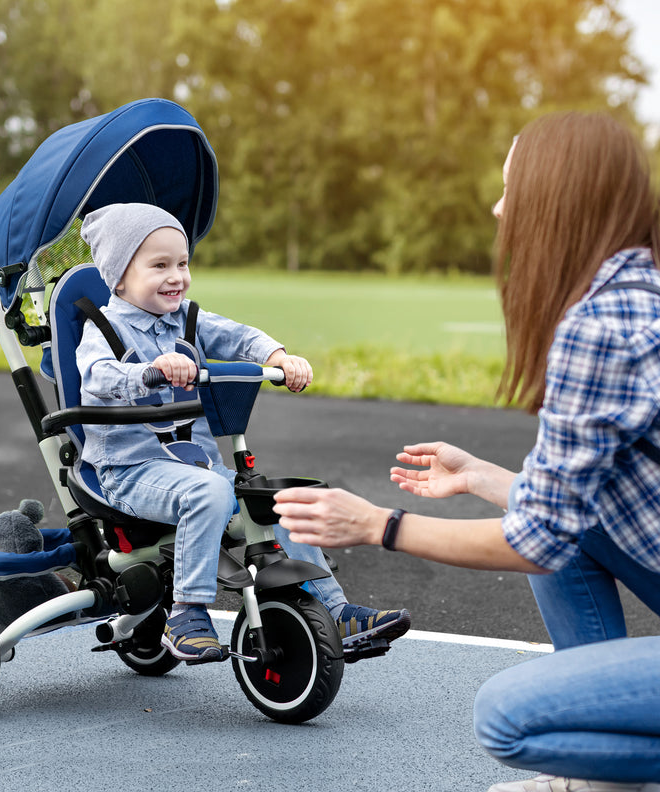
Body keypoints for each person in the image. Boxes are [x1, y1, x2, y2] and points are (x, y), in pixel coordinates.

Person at [273, 112, 660, 790]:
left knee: (508, 718)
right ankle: (603, 781)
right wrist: (484, 477)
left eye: (512, 189)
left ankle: (602, 773)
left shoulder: (599, 327)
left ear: (556, 202)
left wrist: (378, 526)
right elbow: (566, 509)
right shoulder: (636, 292)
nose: (498, 208)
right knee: (566, 525)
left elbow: (536, 540)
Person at [76, 202, 410, 663]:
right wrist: (149, 372)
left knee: (276, 502)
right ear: (118, 278)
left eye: (182, 263)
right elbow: (96, 377)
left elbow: (239, 337)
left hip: (197, 467)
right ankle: (188, 609)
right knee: (210, 493)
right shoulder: (104, 329)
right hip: (129, 469)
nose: (176, 276)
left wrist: (277, 356)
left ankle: (336, 610)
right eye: (159, 266)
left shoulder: (187, 320)